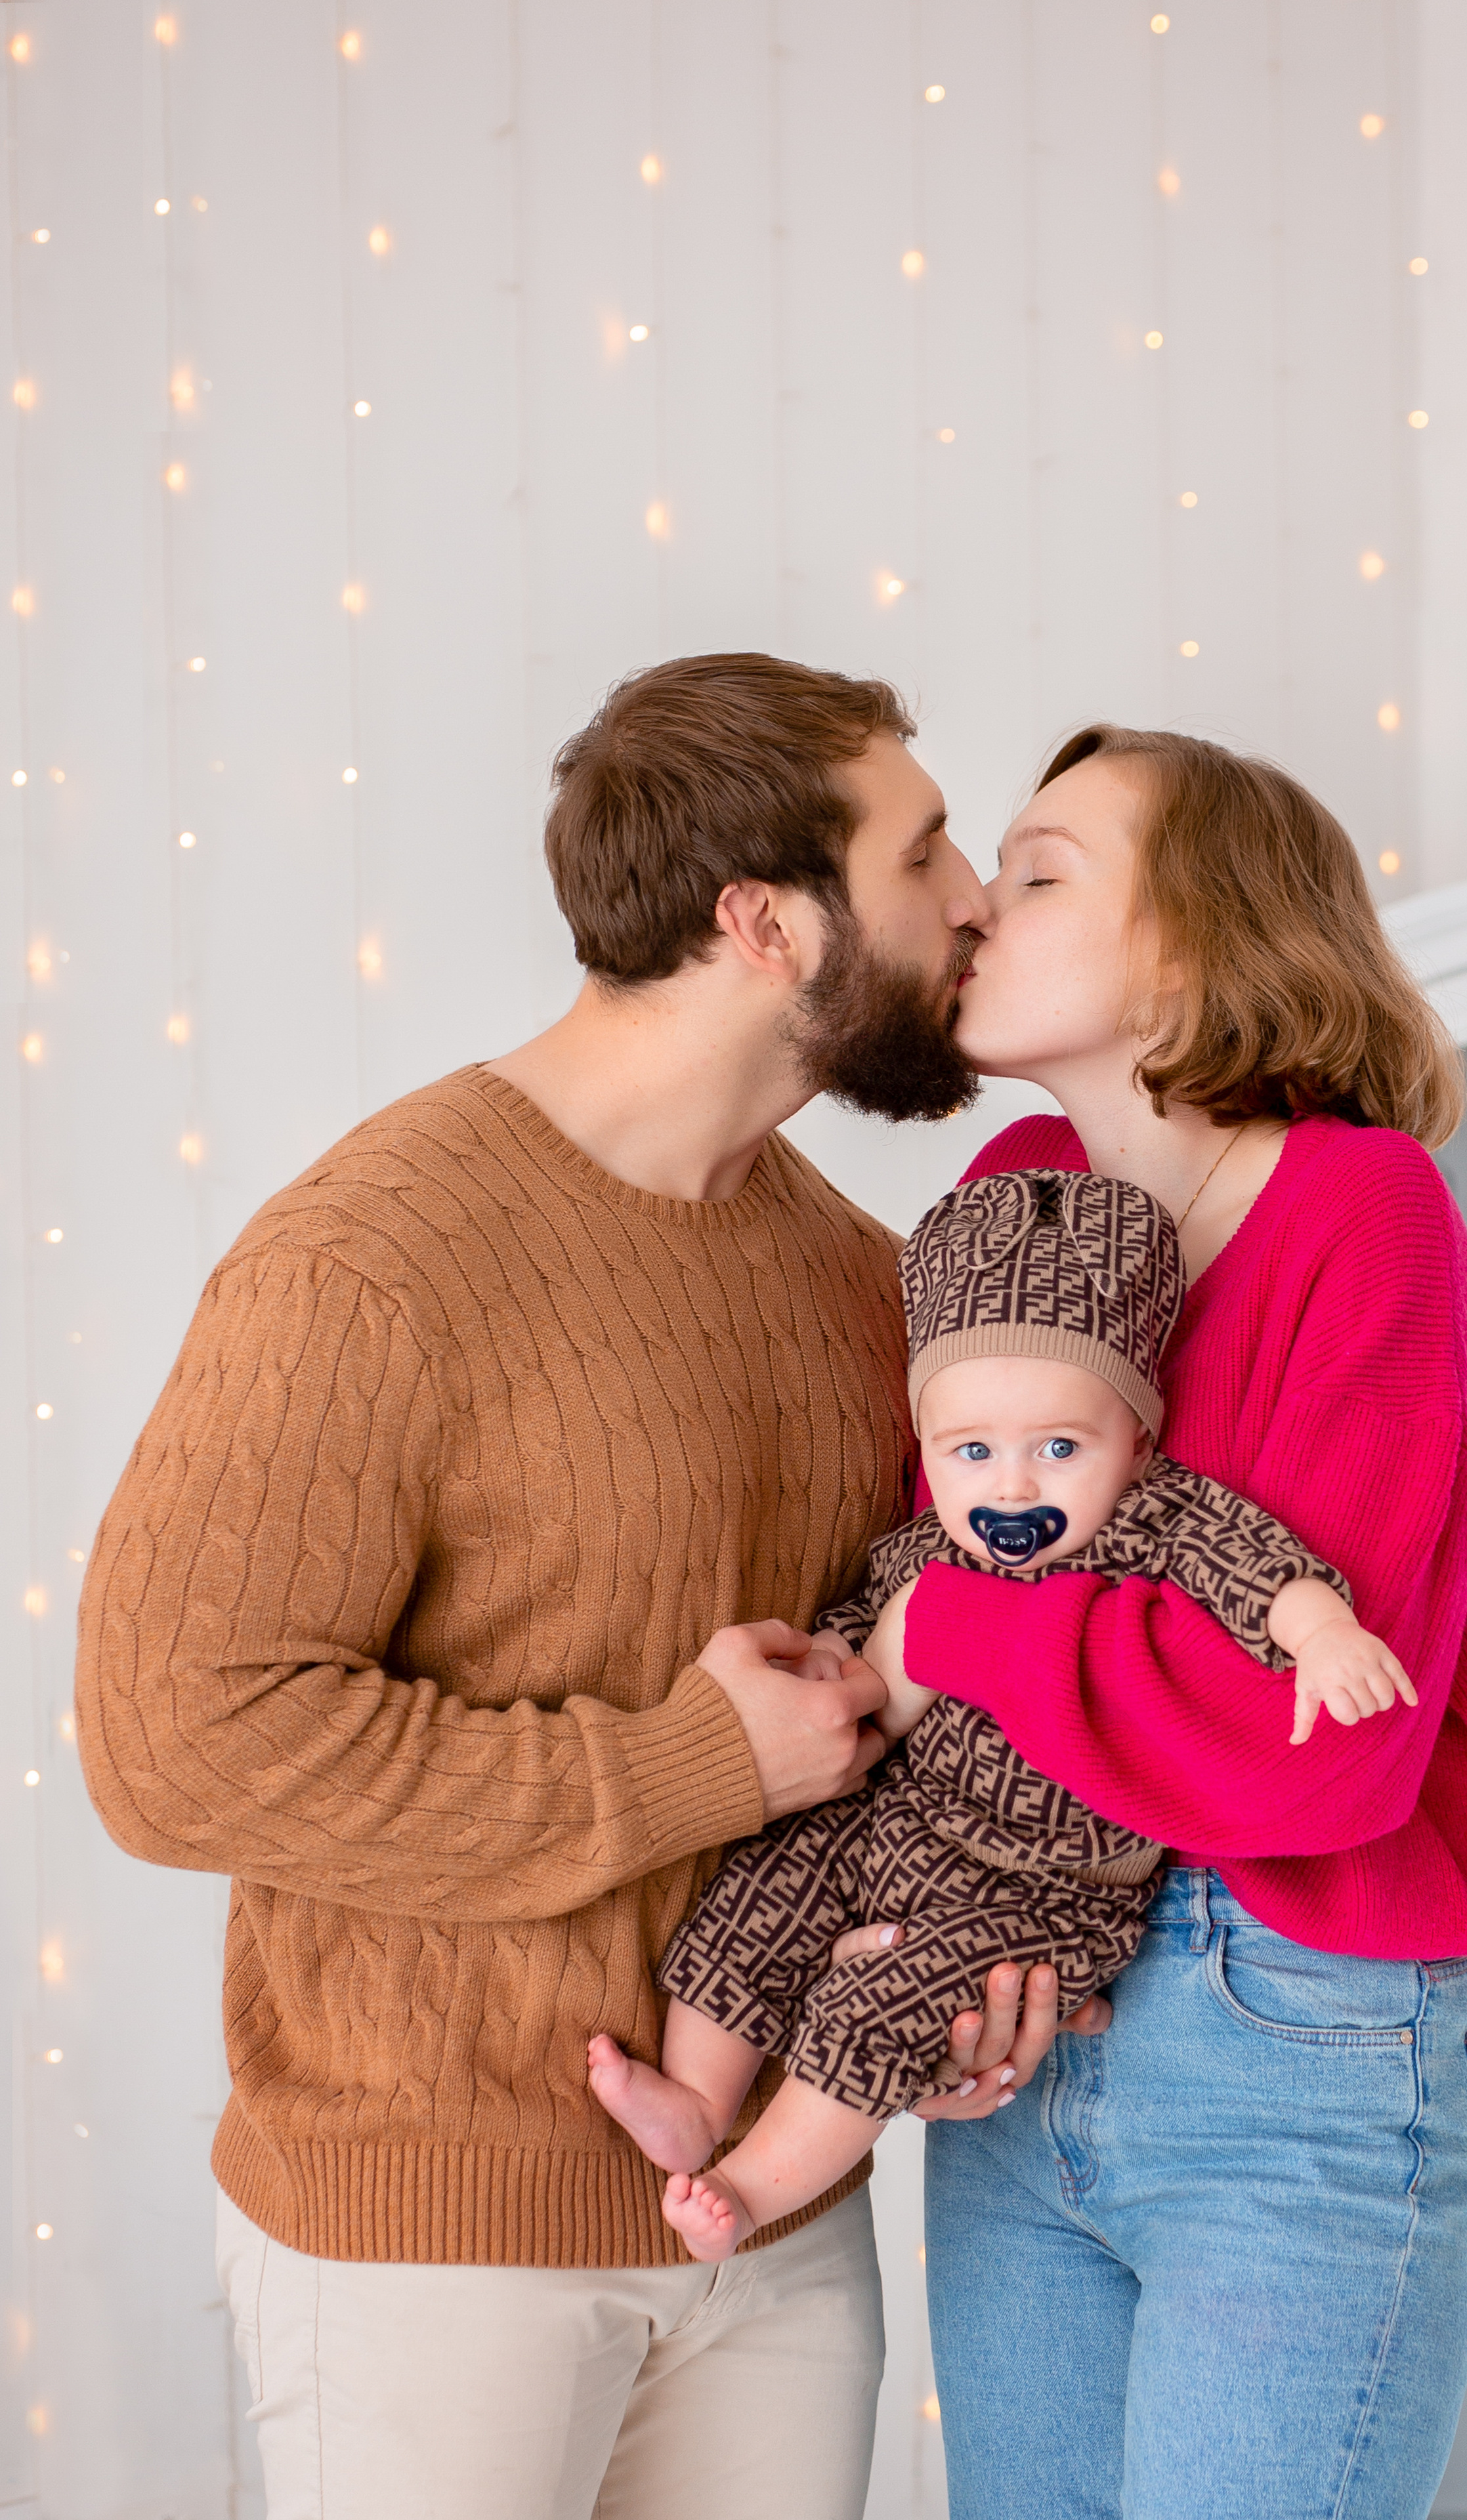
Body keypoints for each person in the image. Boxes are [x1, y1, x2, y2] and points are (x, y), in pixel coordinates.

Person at [72, 654, 1066, 2520]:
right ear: (765, 921)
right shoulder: (371, 1262)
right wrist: (690, 1765)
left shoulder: (867, 1284)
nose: (973, 899)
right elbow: (172, 1747)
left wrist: (971, 1957)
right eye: (925, 846)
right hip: (427, 2244)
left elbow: (928, 1689)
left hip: (777, 2228)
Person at [899, 725, 1467, 2520]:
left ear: (1194, 941)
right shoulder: (1011, 1193)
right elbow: (935, 1576)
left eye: (1041, 873)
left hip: (1297, 2032)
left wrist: (950, 1645)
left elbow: (1304, 1756)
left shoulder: (1367, 1208)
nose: (980, 907)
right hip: (1027, 2011)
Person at [589, 1165, 1414, 2261]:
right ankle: (699, 2098)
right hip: (898, 1823)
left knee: (888, 2000)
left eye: (1059, 1448)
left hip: (1046, 1890)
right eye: (971, 1452)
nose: (1012, 1488)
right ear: (929, 1450)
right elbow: (861, 1647)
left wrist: (1323, 1636)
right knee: (768, 1883)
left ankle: (745, 2186)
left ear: (1138, 1446)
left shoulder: (1151, 1520)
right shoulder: (931, 1544)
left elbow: (1254, 1565)